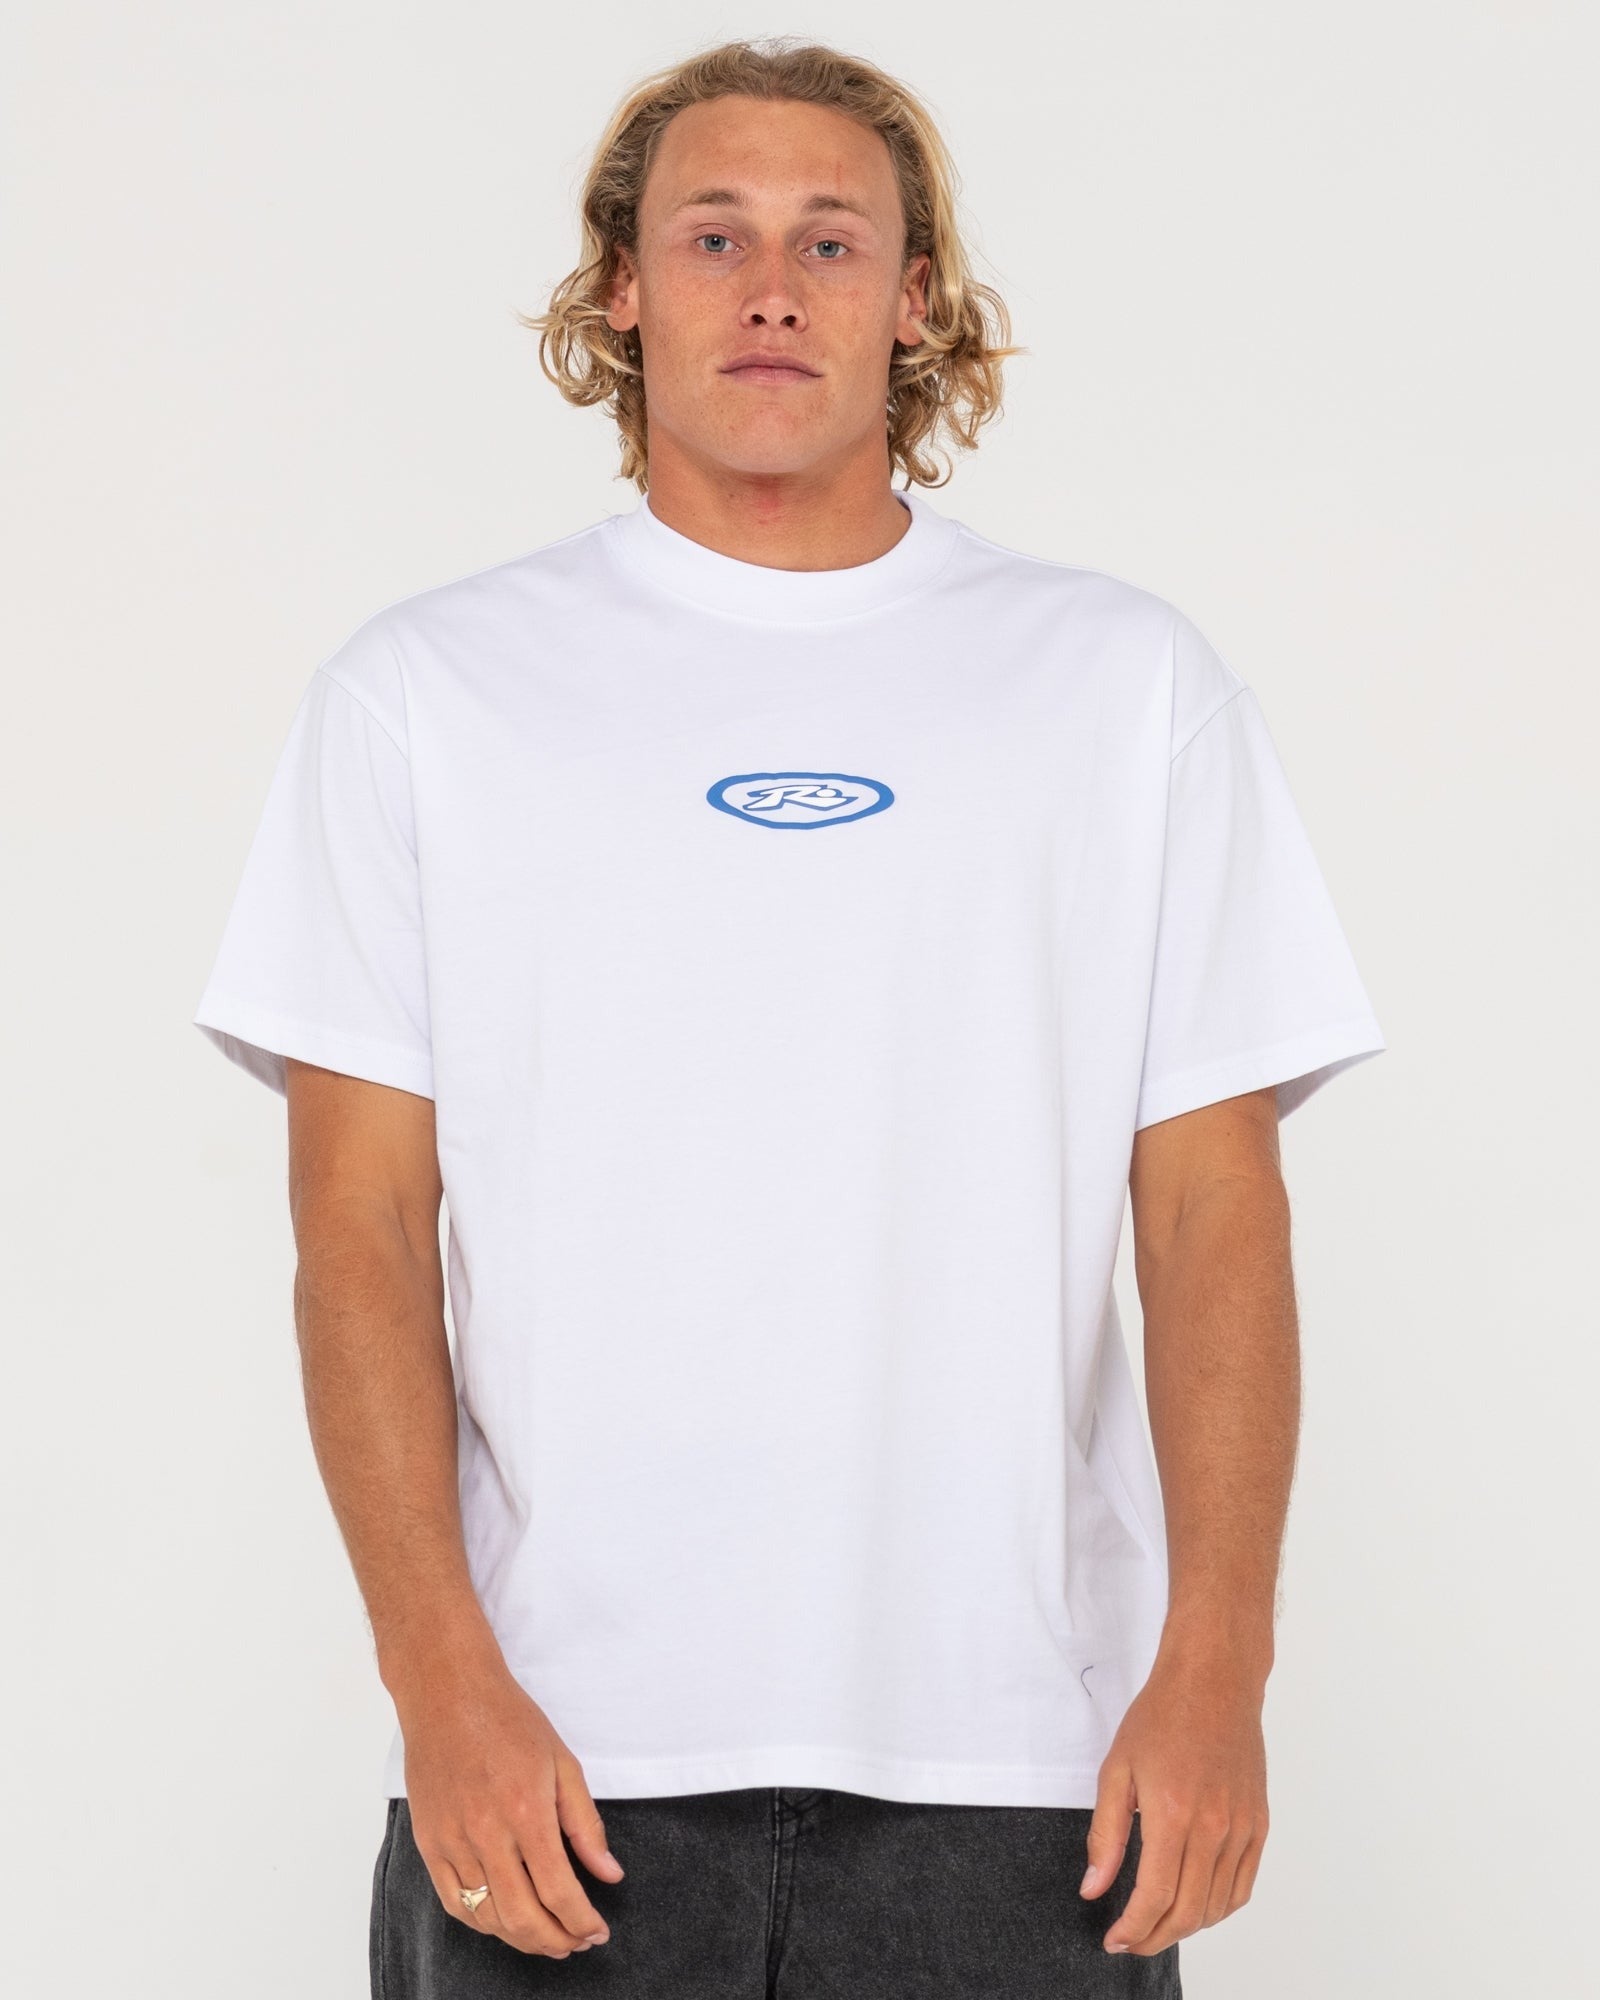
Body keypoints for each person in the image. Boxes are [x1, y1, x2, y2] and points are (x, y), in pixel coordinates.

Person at [192, 36, 1385, 2000]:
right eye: (712, 235)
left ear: (913, 298)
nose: (769, 286)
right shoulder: (425, 697)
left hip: (1025, 1773)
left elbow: (1208, 1212)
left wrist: (1216, 1670)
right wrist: (438, 1683)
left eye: (830, 240)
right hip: (555, 1767)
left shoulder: (1121, 690)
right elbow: (360, 1226)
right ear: (620, 288)